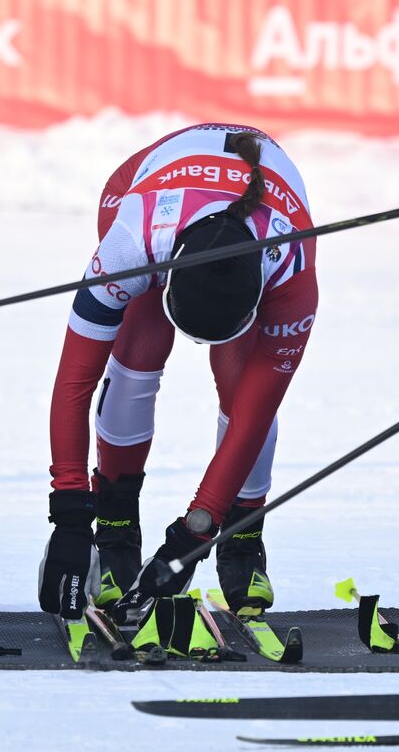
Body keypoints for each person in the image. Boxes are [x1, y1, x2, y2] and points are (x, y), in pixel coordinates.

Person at [36, 123, 318, 624]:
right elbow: (74, 383)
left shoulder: (292, 274)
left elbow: (255, 416)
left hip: (246, 224)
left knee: (241, 389)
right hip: (141, 188)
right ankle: (116, 523)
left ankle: (244, 535)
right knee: (136, 359)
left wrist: (198, 528)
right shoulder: (130, 243)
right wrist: (71, 515)